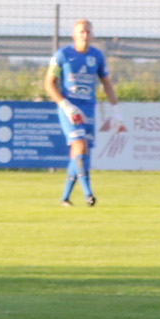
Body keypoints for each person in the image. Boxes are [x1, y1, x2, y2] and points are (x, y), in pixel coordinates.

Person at [45, 19, 117, 207]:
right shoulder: (62, 55)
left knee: (81, 153)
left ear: (92, 35)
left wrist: (115, 110)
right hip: (69, 108)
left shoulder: (97, 56)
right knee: (80, 146)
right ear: (74, 35)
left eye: (88, 32)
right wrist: (65, 105)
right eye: (81, 32)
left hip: (88, 108)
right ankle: (88, 194)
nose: (85, 35)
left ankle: (65, 198)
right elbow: (49, 84)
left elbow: (107, 82)